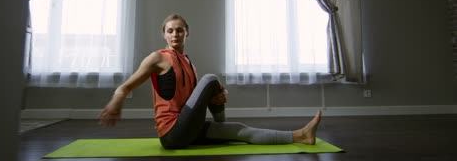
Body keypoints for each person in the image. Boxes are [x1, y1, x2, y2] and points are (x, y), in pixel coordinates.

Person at [99, 14, 322, 149]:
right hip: (172, 133)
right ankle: (220, 122)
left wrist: (216, 96)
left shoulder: (189, 64)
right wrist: (117, 98)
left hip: (189, 128)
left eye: (179, 30)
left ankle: (300, 135)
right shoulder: (157, 58)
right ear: (164, 35)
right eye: (170, 31)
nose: (175, 34)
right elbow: (125, 86)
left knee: (240, 130)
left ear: (187, 33)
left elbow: (192, 103)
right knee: (211, 78)